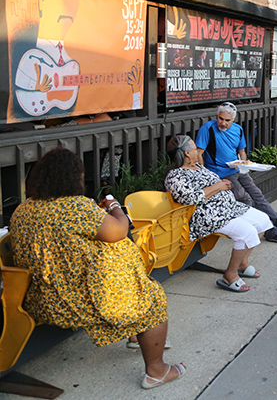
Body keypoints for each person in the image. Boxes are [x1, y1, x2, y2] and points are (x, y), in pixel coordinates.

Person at [10, 147, 185, 389]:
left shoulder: (23, 209)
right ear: (75, 178)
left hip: (38, 298)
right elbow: (119, 230)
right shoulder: (76, 207)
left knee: (132, 287)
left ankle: (136, 334)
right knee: (151, 298)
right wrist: (114, 206)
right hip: (69, 303)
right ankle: (157, 370)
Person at [165, 135, 274, 293]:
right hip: (206, 215)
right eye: (195, 148)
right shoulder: (175, 176)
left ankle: (242, 263)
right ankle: (230, 275)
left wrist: (223, 184)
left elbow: (213, 183)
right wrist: (218, 187)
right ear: (187, 153)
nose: (197, 151)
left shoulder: (198, 167)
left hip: (228, 207)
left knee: (263, 220)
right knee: (246, 232)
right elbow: (190, 198)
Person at [196, 102, 277, 245]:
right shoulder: (207, 129)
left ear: (233, 119)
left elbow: (242, 152)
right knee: (246, 199)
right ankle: (271, 231)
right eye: (221, 118)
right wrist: (206, 175)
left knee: (258, 196)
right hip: (220, 173)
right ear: (217, 116)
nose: (223, 123)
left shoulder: (238, 129)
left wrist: (244, 165)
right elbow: (198, 153)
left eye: (227, 120)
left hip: (237, 170)